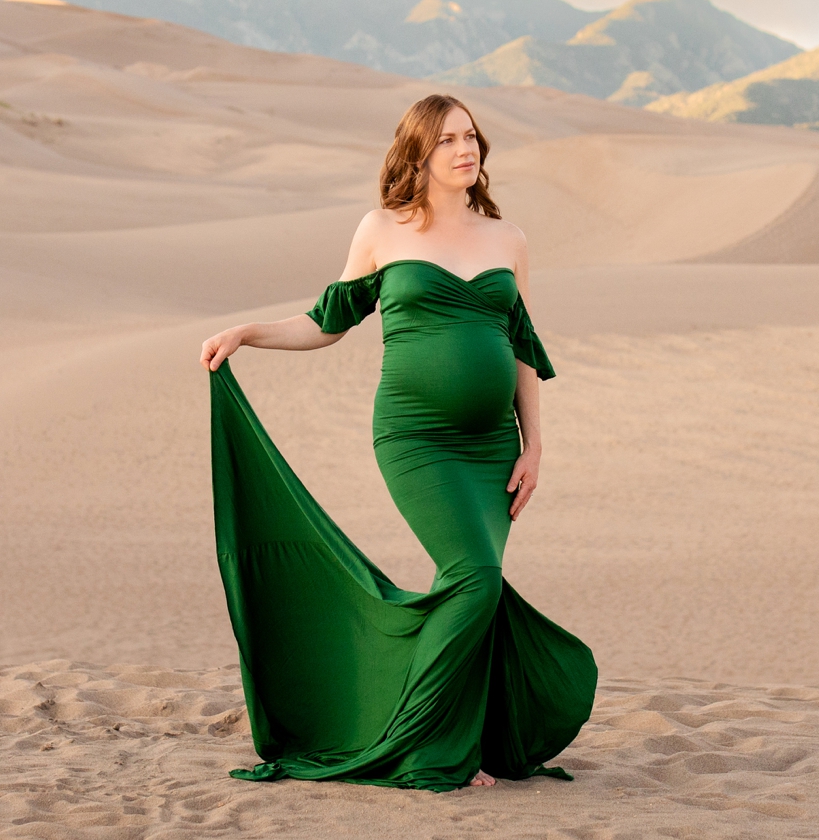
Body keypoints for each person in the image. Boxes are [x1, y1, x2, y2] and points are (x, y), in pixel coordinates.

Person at [198, 94, 597, 791]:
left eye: (470, 136)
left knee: (470, 587)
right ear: (418, 154)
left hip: (492, 448)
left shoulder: (509, 240)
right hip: (416, 440)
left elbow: (523, 349)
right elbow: (329, 322)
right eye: (446, 141)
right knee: (475, 579)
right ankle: (413, 743)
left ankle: (460, 744)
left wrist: (535, 447)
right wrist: (246, 333)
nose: (464, 150)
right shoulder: (383, 230)